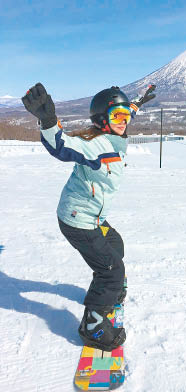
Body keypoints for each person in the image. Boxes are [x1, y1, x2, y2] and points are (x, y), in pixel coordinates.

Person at [21, 83, 156, 351]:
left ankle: (110, 289)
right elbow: (61, 147)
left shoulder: (113, 132)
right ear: (102, 121)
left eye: (125, 117)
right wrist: (48, 121)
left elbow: (122, 112)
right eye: (117, 117)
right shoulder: (97, 145)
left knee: (115, 244)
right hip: (78, 221)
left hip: (92, 216)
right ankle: (93, 327)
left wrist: (136, 104)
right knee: (110, 270)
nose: (124, 122)